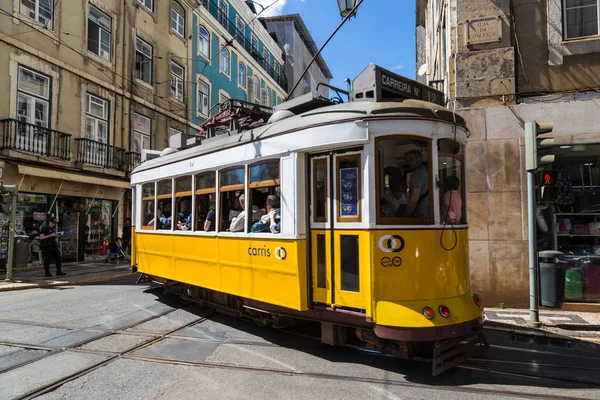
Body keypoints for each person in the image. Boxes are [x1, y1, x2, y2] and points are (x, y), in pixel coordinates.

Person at [403, 150, 429, 218]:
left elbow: (414, 199)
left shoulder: (416, 173)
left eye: (411, 159)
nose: (409, 162)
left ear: (420, 159)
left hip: (418, 215)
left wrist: (406, 217)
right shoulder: (427, 172)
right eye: (406, 160)